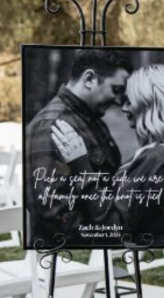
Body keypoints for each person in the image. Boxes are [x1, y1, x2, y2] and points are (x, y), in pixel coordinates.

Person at [50, 63, 164, 248]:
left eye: (129, 101)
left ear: (149, 104)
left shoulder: (157, 158)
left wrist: (80, 165)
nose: (123, 108)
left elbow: (113, 228)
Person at [24, 49, 132, 247]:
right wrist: (109, 237)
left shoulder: (91, 117)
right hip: (67, 259)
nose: (118, 100)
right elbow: (51, 214)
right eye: (115, 89)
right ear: (89, 78)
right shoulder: (50, 126)